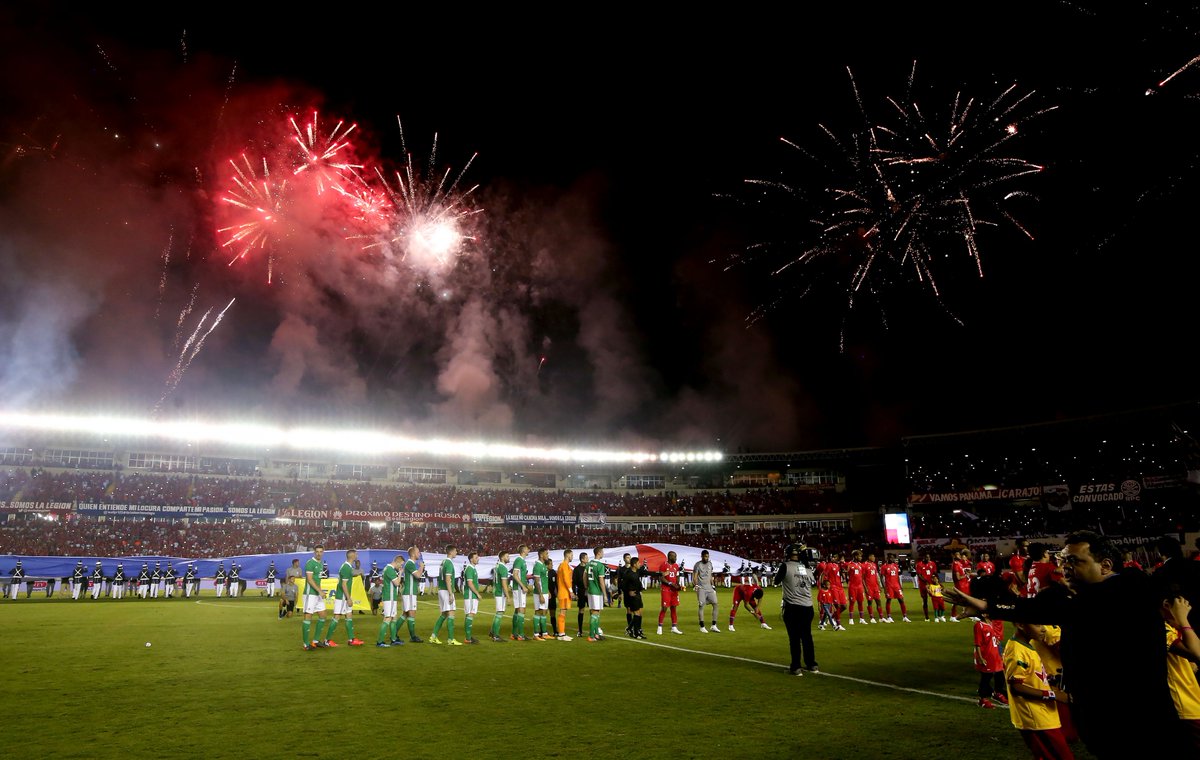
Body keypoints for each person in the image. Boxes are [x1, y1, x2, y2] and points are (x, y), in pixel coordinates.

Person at [945, 529, 1183, 757]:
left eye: (1074, 561)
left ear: (1106, 565)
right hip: (1108, 719)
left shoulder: (1124, 591)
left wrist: (990, 606)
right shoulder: (1092, 596)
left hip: (1135, 720)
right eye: (1063, 559)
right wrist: (988, 606)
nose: (1064, 566)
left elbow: (1055, 609)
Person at [1003, 620, 1075, 759]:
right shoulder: (1016, 650)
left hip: (1043, 715)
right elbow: (1017, 687)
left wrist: (1050, 679)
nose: (1043, 629)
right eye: (1037, 625)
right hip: (1035, 718)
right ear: (1021, 624)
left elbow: (1031, 676)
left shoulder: (1027, 646)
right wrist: (1054, 695)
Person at [1163, 595, 1200, 749]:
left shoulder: (1172, 627)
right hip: (1184, 705)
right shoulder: (1163, 629)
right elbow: (1197, 652)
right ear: (1166, 605)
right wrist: (1183, 620)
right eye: (1183, 607)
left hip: (1192, 701)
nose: (1185, 612)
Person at [775, 543, 817, 676]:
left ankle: (796, 667)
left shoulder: (785, 566)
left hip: (793, 606)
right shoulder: (806, 568)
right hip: (808, 606)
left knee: (794, 638)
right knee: (807, 637)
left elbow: (776, 581)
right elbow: (813, 582)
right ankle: (812, 664)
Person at [326, 549, 363, 647]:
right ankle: (327, 640)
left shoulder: (347, 566)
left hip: (344, 597)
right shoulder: (346, 567)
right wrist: (348, 598)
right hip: (342, 597)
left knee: (349, 615)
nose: (357, 555)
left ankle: (351, 639)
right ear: (352, 556)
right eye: (356, 554)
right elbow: (344, 584)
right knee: (337, 617)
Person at [428, 544, 461, 646]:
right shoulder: (449, 563)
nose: (456, 552)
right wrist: (451, 594)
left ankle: (433, 637)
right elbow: (448, 579)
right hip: (447, 591)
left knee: (444, 614)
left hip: (441, 590)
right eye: (455, 551)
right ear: (450, 552)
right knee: (451, 613)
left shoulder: (443, 562)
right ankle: (451, 639)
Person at [974, 611, 1008, 709]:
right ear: (983, 615)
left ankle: (997, 693)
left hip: (994, 654)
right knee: (986, 677)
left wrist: (996, 641)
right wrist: (980, 658)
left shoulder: (990, 623)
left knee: (1000, 673)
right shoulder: (979, 626)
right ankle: (982, 699)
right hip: (987, 655)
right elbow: (977, 643)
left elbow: (992, 636)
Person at [301, 545, 328, 651]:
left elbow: (317, 580)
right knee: (308, 617)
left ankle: (316, 641)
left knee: (323, 615)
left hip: (317, 594)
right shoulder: (310, 563)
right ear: (314, 552)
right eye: (317, 551)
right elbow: (310, 579)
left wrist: (320, 592)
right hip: (310, 594)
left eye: (321, 551)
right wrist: (320, 591)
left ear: (323, 552)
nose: (319, 553)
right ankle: (306, 644)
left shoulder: (320, 563)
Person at [376, 554, 403, 647]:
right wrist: (400, 573)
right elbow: (397, 583)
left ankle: (393, 639)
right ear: (397, 562)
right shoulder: (390, 569)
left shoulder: (387, 568)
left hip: (391, 597)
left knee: (394, 618)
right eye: (401, 564)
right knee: (388, 618)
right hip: (389, 597)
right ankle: (380, 642)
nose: (401, 567)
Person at [657, 550, 684, 635]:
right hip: (666, 589)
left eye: (676, 556)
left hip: (674, 591)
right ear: (669, 556)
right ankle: (660, 627)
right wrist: (670, 583)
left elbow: (677, 576)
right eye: (674, 556)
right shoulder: (663, 565)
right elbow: (661, 578)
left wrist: (678, 585)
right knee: (664, 608)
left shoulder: (676, 566)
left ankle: (674, 627)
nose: (675, 558)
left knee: (674, 607)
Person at [401, 546, 425, 643]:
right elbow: (418, 576)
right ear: (413, 554)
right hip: (409, 592)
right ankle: (413, 637)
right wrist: (421, 567)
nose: (419, 554)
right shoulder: (410, 563)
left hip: (409, 592)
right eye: (418, 552)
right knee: (411, 614)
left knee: (405, 614)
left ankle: (394, 635)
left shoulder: (410, 564)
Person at [619, 555, 646, 639]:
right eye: (627, 557)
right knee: (632, 612)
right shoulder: (624, 571)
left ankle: (636, 630)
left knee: (639, 613)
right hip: (629, 595)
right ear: (624, 559)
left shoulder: (636, 570)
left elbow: (645, 573)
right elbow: (621, 583)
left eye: (629, 557)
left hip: (636, 593)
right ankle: (632, 629)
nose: (629, 558)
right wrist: (622, 593)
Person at [694, 549, 720, 633]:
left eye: (708, 556)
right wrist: (696, 585)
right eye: (705, 556)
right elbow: (695, 576)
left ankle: (714, 625)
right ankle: (702, 626)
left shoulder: (710, 564)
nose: (707, 558)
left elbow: (710, 575)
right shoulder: (697, 565)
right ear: (701, 556)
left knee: (715, 603)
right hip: (701, 588)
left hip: (710, 588)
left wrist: (713, 585)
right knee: (701, 606)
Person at [462, 551, 485, 644]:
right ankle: (468, 638)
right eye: (476, 557)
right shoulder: (470, 569)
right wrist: (478, 594)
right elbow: (470, 583)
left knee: (469, 615)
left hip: (471, 595)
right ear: (471, 559)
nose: (478, 558)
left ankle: (468, 637)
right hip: (471, 595)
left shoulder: (472, 568)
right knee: (470, 614)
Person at [530, 548, 552, 641]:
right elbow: (537, 582)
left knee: (544, 612)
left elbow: (544, 580)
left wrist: (548, 591)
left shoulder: (543, 565)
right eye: (546, 554)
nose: (548, 555)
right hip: (539, 593)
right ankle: (535, 634)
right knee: (538, 611)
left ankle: (544, 633)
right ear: (541, 555)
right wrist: (541, 594)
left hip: (545, 592)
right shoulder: (537, 566)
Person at [510, 545, 531, 641]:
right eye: (527, 549)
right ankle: (520, 635)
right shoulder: (519, 560)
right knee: (521, 610)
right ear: (523, 551)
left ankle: (514, 634)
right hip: (519, 588)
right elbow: (515, 574)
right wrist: (523, 586)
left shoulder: (522, 560)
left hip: (519, 588)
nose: (529, 550)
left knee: (517, 610)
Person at [585, 547, 607, 642]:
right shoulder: (600, 565)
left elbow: (584, 576)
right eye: (602, 552)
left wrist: (587, 587)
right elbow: (601, 581)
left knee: (596, 613)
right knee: (595, 613)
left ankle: (596, 634)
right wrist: (605, 594)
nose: (603, 554)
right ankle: (591, 635)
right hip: (597, 592)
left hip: (590, 591)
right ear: (598, 553)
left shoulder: (589, 563)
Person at [821, 552, 846, 629]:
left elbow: (843, 571)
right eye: (833, 557)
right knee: (837, 606)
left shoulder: (838, 565)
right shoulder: (829, 565)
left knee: (844, 606)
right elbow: (823, 574)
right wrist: (823, 585)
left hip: (840, 587)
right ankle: (838, 624)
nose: (833, 558)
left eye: (835, 557)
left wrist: (844, 577)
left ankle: (831, 617)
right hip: (833, 587)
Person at [491, 550, 511, 642]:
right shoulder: (503, 568)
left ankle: (492, 632)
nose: (509, 558)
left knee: (498, 613)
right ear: (502, 557)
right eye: (507, 556)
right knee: (500, 613)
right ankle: (496, 636)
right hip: (500, 593)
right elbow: (504, 583)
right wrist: (508, 597)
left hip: (497, 591)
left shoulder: (497, 566)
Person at [553, 549, 574, 641]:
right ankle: (561, 634)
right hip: (564, 592)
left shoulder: (563, 565)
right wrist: (571, 591)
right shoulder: (564, 565)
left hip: (563, 592)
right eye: (572, 555)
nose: (572, 557)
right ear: (568, 555)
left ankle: (562, 633)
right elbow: (566, 579)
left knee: (563, 612)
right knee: (562, 612)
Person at [914, 551, 938, 621]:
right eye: (927, 557)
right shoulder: (919, 564)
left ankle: (938, 616)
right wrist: (926, 581)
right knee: (925, 600)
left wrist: (937, 582)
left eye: (929, 557)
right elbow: (919, 575)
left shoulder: (932, 563)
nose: (928, 558)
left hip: (932, 585)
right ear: (923, 558)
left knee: (936, 599)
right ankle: (926, 617)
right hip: (923, 585)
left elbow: (935, 573)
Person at [844, 551, 866, 625]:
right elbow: (846, 575)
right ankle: (851, 619)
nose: (861, 557)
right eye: (860, 556)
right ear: (855, 556)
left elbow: (862, 577)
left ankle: (861, 619)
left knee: (860, 602)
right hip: (852, 587)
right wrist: (849, 583)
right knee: (852, 602)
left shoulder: (861, 565)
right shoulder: (849, 564)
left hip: (860, 587)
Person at [951, 550, 972, 622]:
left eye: (959, 554)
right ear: (954, 556)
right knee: (957, 601)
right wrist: (966, 575)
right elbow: (958, 577)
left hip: (964, 585)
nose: (959, 556)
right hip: (959, 585)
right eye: (957, 554)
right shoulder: (955, 564)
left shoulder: (960, 563)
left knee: (968, 600)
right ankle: (953, 616)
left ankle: (970, 614)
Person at [863, 552, 883, 623]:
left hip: (875, 587)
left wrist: (879, 586)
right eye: (873, 556)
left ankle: (881, 617)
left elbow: (876, 576)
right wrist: (865, 588)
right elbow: (862, 578)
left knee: (878, 601)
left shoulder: (874, 565)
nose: (874, 558)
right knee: (870, 602)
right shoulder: (864, 565)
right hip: (869, 587)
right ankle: (872, 618)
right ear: (869, 557)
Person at [573, 552, 589, 638]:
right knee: (581, 610)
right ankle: (580, 630)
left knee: (592, 610)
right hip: (581, 591)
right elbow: (574, 582)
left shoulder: (589, 567)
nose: (588, 559)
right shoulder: (577, 569)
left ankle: (594, 629)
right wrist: (575, 594)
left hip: (590, 591)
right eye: (586, 558)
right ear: (582, 559)